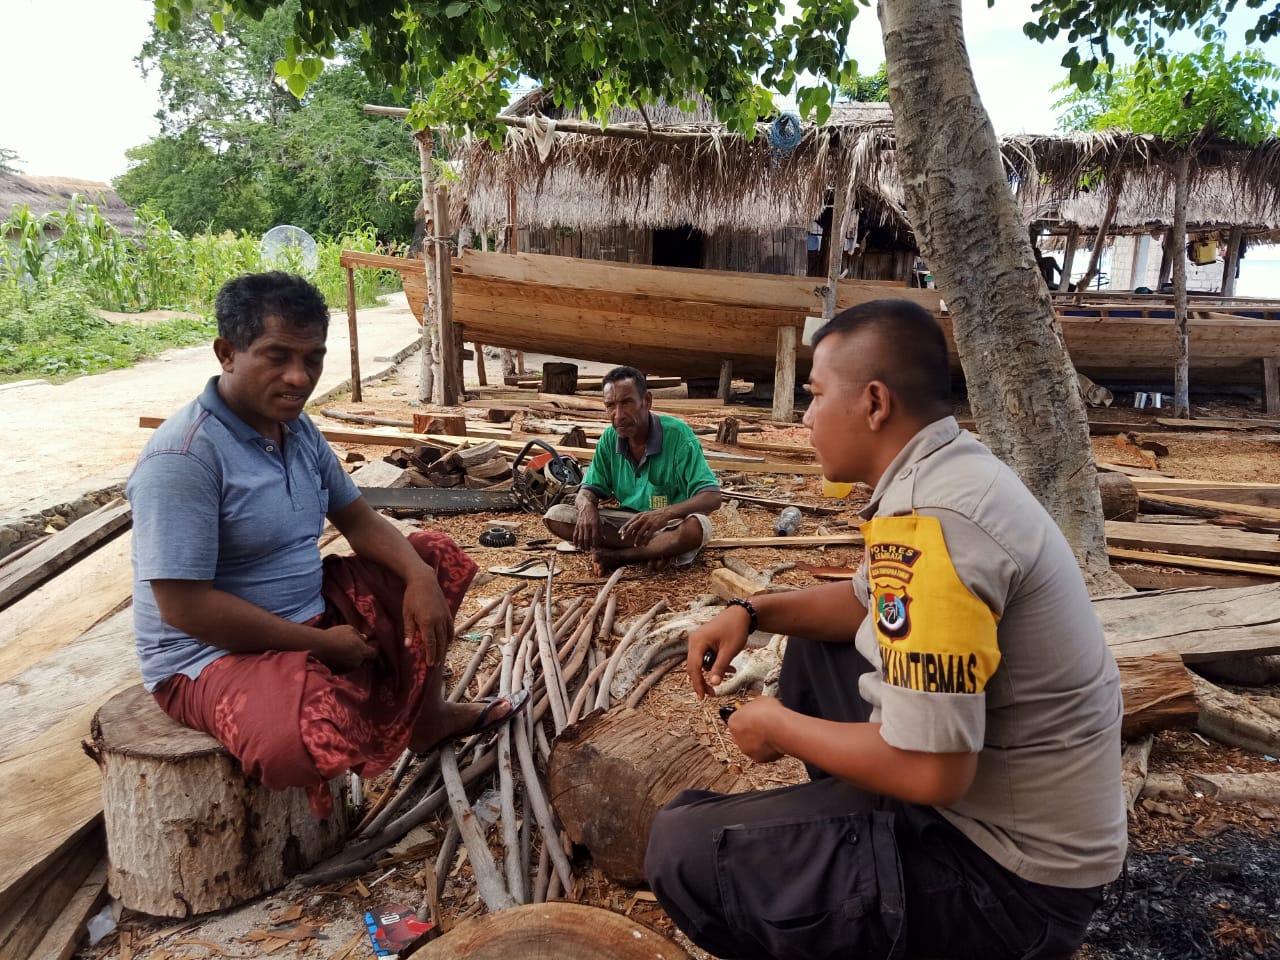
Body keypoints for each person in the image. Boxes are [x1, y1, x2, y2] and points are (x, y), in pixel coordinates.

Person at [645, 300, 1126, 960]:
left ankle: (870, 901)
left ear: (874, 403)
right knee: (815, 646)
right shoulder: (947, 470)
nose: (805, 418)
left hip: (1012, 887)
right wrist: (754, 613)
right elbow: (864, 603)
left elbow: (934, 773)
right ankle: (858, 846)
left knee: (681, 848)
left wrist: (774, 723)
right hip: (1012, 828)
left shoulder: (934, 522)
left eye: (815, 395)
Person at [127, 272, 526, 818]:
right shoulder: (185, 459)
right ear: (227, 353)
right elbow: (184, 607)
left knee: (435, 556)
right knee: (300, 738)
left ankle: (426, 717)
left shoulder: (297, 430)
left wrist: (420, 579)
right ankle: (358, 699)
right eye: (277, 356)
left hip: (309, 610)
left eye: (313, 358)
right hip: (208, 656)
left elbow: (360, 520)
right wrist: (318, 647)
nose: (299, 377)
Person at [542, 366, 721, 571]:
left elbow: (712, 497)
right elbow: (588, 490)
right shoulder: (610, 438)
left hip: (669, 524)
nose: (618, 415)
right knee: (556, 516)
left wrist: (663, 514)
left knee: (697, 528)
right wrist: (587, 507)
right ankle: (656, 551)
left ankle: (622, 557)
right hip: (627, 524)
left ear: (647, 401)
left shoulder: (678, 435)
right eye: (610, 406)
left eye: (626, 403)